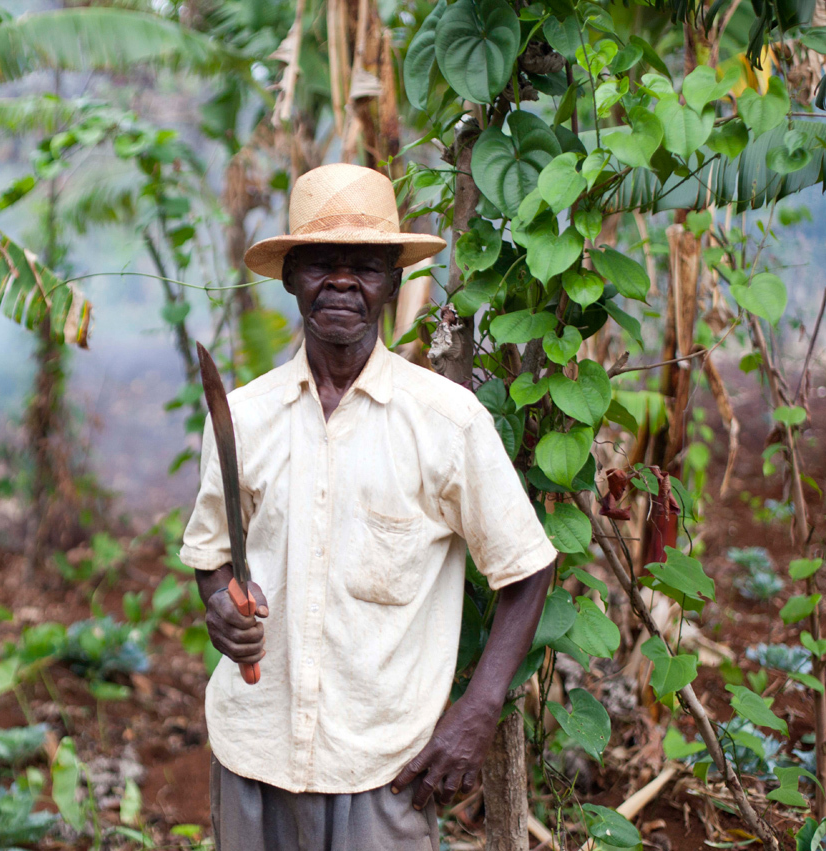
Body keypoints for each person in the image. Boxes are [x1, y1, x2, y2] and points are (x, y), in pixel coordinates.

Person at [181, 163, 557, 851]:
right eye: (322, 262)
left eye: (365, 266)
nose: (343, 281)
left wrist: (476, 710)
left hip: (383, 765)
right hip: (253, 748)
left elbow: (526, 569)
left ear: (391, 281)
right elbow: (212, 556)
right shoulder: (244, 416)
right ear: (291, 276)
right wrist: (220, 608)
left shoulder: (447, 421)